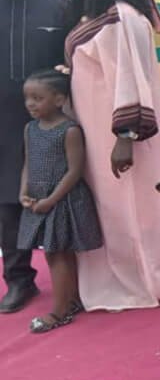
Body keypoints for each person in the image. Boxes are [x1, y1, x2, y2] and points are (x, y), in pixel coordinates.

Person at [63, 0, 160, 312]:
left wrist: (125, 136)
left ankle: (148, 282)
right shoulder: (100, 17)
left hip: (122, 136)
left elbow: (132, 78)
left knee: (135, 207)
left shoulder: (123, 18)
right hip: (96, 134)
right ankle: (121, 279)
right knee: (112, 208)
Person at [0, 0, 66, 314]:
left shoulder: (57, 7)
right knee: (7, 201)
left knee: (61, 198)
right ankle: (18, 279)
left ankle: (73, 282)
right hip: (2, 122)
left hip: (51, 123)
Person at [18, 69, 102, 332]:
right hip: (38, 200)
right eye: (27, 98)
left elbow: (75, 171)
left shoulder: (69, 130)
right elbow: (28, 163)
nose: (30, 104)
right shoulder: (30, 128)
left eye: (37, 98)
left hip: (62, 201)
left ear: (59, 99)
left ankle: (59, 311)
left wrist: (52, 199)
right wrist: (23, 191)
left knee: (57, 254)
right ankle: (71, 300)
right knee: (56, 253)